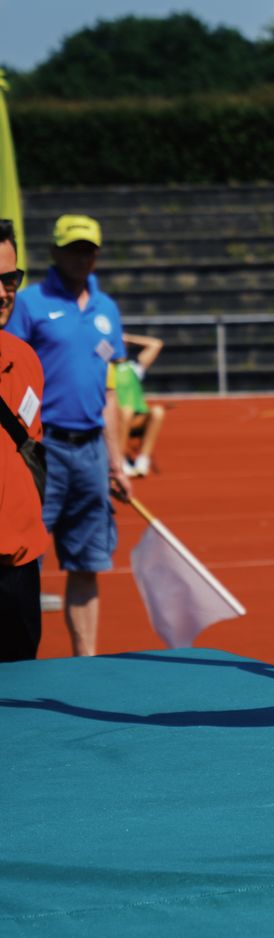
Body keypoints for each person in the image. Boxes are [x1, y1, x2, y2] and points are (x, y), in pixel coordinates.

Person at [9, 214, 130, 654]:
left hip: (93, 450)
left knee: (87, 561)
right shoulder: (28, 303)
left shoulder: (107, 309)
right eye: (74, 248)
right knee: (24, 561)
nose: (83, 257)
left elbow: (111, 393)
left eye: (89, 249)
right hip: (41, 450)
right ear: (55, 252)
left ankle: (87, 662)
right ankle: (23, 666)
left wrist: (116, 461)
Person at [0, 219, 50, 662]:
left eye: (9, 278)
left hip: (18, 567)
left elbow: (31, 449)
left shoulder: (25, 358)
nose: (1, 292)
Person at [117, 330, 167, 477]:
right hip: (114, 420)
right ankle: (119, 460)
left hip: (136, 419)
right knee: (125, 412)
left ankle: (142, 460)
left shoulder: (134, 367)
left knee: (157, 411)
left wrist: (128, 338)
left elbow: (155, 344)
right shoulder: (104, 368)